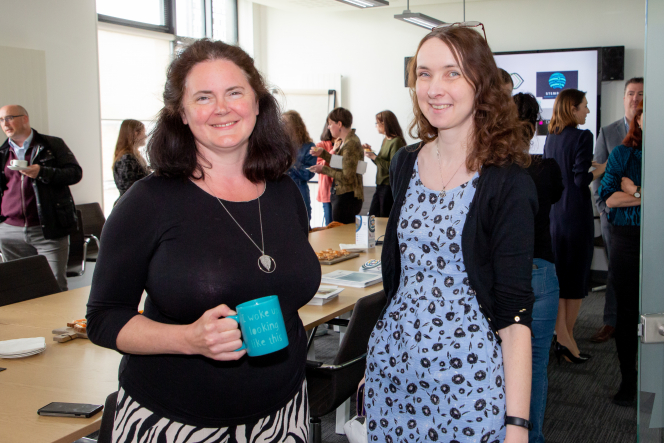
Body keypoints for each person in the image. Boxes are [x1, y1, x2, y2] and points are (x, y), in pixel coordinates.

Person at [86, 40, 319, 442]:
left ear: (258, 102)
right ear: (181, 113)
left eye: (234, 92)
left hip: (284, 414)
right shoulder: (148, 202)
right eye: (203, 97)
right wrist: (188, 339)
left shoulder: (283, 192)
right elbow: (104, 318)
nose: (222, 108)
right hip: (175, 424)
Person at [365, 26, 537, 443]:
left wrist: (517, 427)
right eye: (424, 74)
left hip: (469, 385)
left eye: (452, 73)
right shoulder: (406, 162)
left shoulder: (506, 182)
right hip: (391, 377)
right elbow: (400, 283)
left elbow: (515, 320)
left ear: (481, 83)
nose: (434, 88)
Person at [514, 93, 563, 443]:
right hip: (541, 271)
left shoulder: (493, 171)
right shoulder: (547, 169)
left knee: (500, 365)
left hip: (507, 276)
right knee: (536, 367)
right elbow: (555, 195)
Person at [543, 89, 605, 364]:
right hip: (577, 217)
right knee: (576, 280)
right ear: (572, 109)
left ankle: (565, 339)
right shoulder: (583, 136)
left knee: (562, 279)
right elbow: (581, 180)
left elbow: (562, 173)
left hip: (555, 216)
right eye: (585, 107)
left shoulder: (551, 138)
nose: (588, 111)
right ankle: (566, 339)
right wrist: (604, 167)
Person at [0, 105, 82, 291]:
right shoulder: (2, 152)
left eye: (9, 117)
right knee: (17, 288)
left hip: (48, 229)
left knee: (53, 288)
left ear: (25, 119)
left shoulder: (52, 145)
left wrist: (43, 172)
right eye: (1, 119)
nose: (5, 123)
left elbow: (74, 174)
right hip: (9, 232)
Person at [590, 77, 644, 344]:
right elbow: (598, 179)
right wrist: (604, 210)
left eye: (640, 94)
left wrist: (636, 192)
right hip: (615, 218)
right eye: (631, 93)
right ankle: (612, 321)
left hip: (646, 221)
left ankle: (641, 322)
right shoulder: (608, 132)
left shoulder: (655, 134)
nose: (635, 99)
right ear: (624, 98)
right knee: (616, 272)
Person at [599, 102, 643, 406]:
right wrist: (641, 196)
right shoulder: (621, 154)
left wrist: (636, 191)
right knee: (627, 315)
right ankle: (629, 381)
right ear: (637, 119)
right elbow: (610, 199)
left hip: (657, 240)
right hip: (627, 239)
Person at [309, 107, 363, 224]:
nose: (328, 127)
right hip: (344, 196)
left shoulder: (350, 143)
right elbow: (343, 164)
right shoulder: (347, 141)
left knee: (340, 236)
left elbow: (347, 177)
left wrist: (324, 169)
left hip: (346, 198)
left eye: (330, 124)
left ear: (339, 124)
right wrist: (323, 154)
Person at [362, 110, 406, 218]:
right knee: (372, 217)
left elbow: (393, 167)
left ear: (385, 124)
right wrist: (372, 154)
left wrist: (374, 157)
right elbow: (380, 162)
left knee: (382, 218)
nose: (376, 126)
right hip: (380, 185)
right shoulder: (386, 140)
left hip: (388, 187)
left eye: (377, 123)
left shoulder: (396, 141)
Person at [283, 110, 316, 223]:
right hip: (281, 190)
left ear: (294, 126)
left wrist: (292, 163)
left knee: (303, 223)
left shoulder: (308, 146)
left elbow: (308, 173)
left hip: (299, 190)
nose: (282, 126)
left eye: (285, 123)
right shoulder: (280, 145)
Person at [113, 119, 149, 204]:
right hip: (131, 206)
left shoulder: (131, 157)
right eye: (143, 132)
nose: (146, 136)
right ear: (135, 133)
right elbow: (130, 189)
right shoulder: (127, 159)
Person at [314, 122, 337, 226]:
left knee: (341, 225)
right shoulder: (320, 145)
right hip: (327, 190)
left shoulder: (346, 144)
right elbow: (320, 166)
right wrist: (333, 150)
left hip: (341, 190)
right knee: (329, 224)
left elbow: (343, 164)